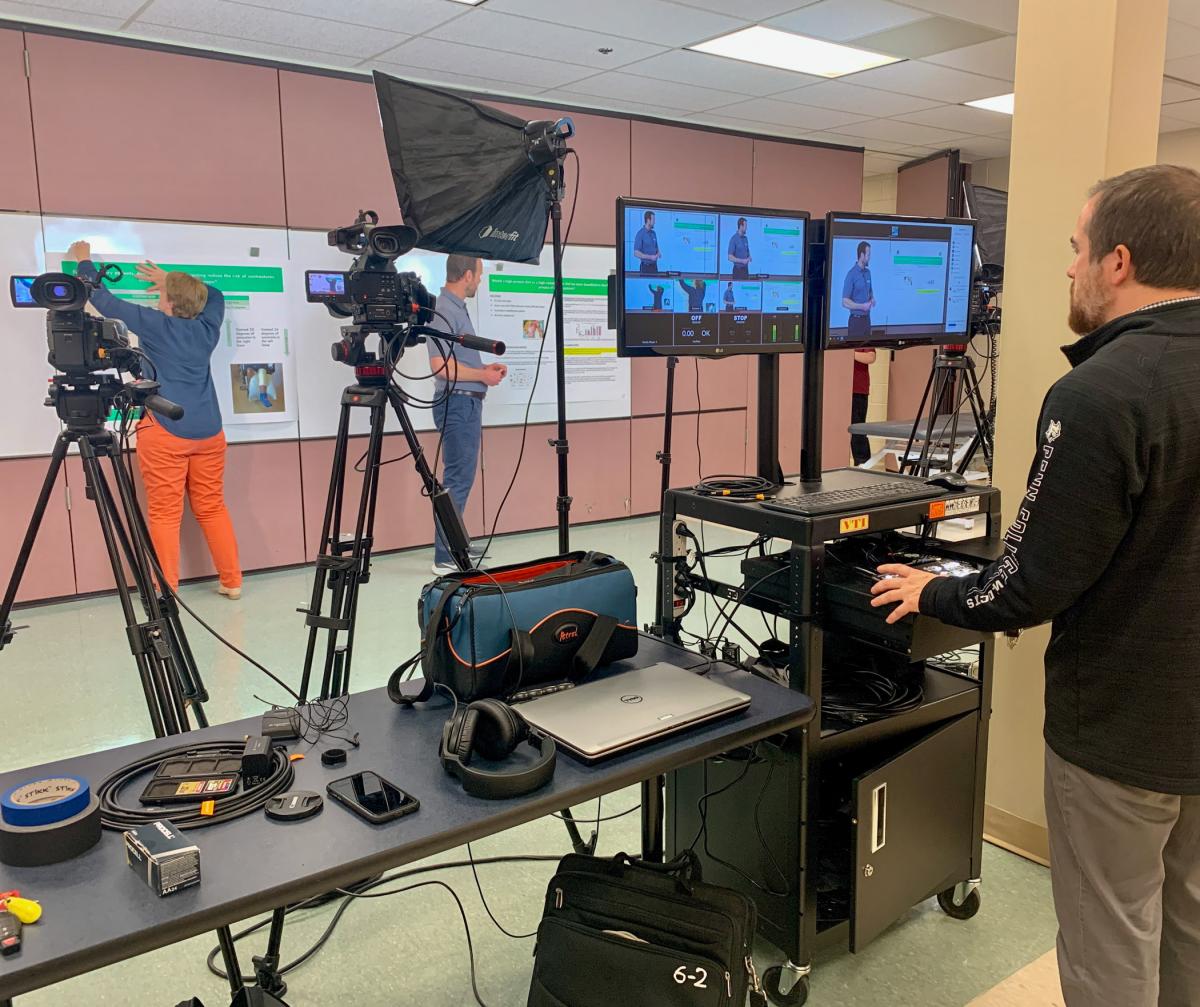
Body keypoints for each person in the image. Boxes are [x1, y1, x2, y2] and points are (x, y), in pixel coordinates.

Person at [869, 164, 1200, 1007]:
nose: (1068, 268)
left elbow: (1027, 584)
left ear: (1118, 262)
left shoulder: (1096, 395)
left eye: (1075, 249)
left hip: (1120, 735)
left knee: (1111, 943)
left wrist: (933, 591)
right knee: (1189, 930)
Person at [68, 241, 242, 598]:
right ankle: (232, 582)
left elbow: (102, 300)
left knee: (165, 514)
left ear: (171, 302)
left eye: (162, 293)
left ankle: (168, 591)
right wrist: (172, 280)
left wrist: (83, 261)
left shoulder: (157, 325)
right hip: (210, 430)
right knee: (212, 507)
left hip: (166, 430)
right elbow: (218, 295)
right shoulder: (208, 327)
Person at [428, 255, 507, 575]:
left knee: (463, 477)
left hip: (466, 403)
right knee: (457, 480)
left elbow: (456, 361)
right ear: (467, 275)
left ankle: (455, 542)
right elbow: (440, 367)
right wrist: (481, 377)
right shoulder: (443, 310)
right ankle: (444, 556)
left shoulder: (456, 308)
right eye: (480, 275)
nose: (480, 280)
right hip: (457, 404)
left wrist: (483, 370)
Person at [842, 241, 875, 340]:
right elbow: (844, 302)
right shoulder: (851, 274)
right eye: (868, 255)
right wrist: (862, 306)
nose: (869, 257)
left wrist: (872, 299)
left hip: (867, 321)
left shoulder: (868, 273)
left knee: (868, 351)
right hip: (855, 322)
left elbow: (870, 292)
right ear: (862, 255)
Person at [850, 348, 876, 465]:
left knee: (858, 428)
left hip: (858, 390)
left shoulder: (863, 339)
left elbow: (870, 357)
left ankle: (862, 463)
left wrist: (849, 354)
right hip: (838, 387)